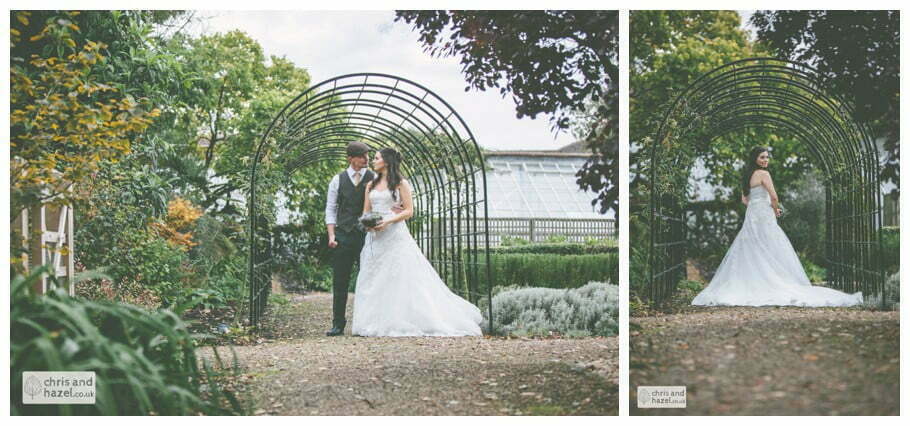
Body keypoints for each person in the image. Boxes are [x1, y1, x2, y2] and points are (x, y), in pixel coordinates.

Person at [691, 146, 863, 307]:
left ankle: (753, 281)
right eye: (762, 157)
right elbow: (774, 196)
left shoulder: (748, 176)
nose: (766, 160)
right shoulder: (764, 174)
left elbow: (744, 200)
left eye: (767, 157)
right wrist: (775, 210)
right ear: (755, 159)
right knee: (770, 244)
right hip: (764, 213)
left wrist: (757, 203)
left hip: (752, 213)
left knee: (752, 245)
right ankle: (772, 280)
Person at [351, 147, 484, 336]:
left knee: (399, 276)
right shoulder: (370, 185)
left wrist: (387, 220)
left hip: (394, 234)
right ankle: (373, 321)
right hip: (375, 238)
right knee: (374, 277)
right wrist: (369, 224)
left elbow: (409, 211)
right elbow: (365, 211)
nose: (373, 161)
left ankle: (400, 319)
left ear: (387, 161)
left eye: (376, 158)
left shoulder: (401, 183)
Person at [324, 141, 375, 336]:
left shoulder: (374, 178)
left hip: (367, 237)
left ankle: (368, 323)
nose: (366, 159)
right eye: (362, 155)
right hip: (342, 236)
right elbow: (331, 209)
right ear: (351, 158)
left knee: (369, 280)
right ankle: (338, 324)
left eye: (367, 155)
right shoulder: (337, 180)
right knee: (340, 281)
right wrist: (331, 235)